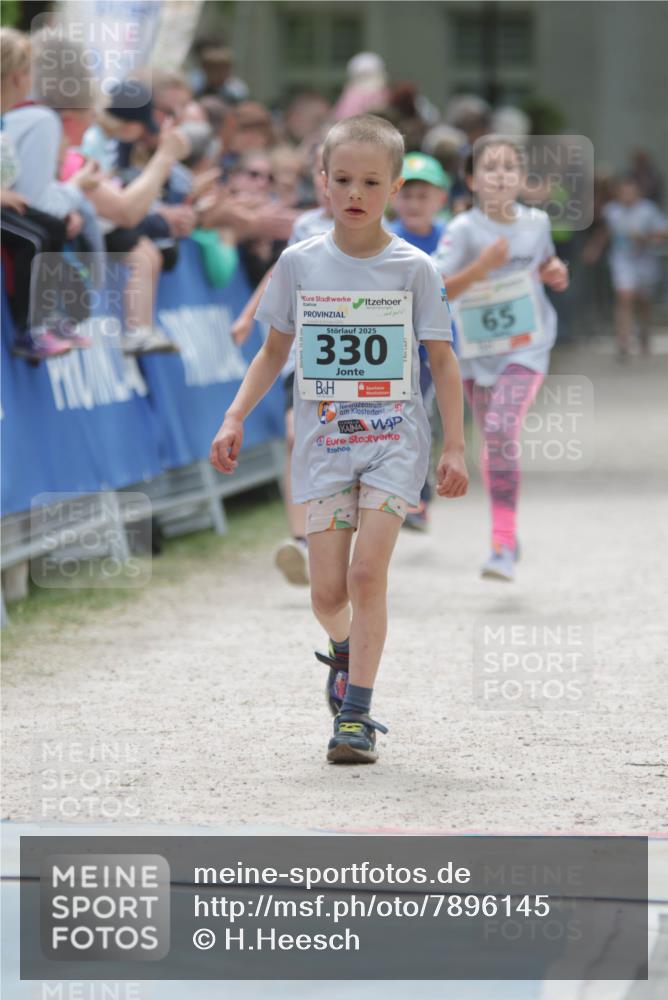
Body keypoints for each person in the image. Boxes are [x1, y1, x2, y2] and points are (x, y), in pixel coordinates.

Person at [210, 114, 468, 764]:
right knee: (327, 594)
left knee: (365, 574)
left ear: (394, 186)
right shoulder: (298, 263)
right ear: (322, 183)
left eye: (371, 181)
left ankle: (356, 715)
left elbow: (442, 360)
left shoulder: (415, 268)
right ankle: (346, 652)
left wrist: (454, 446)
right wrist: (235, 415)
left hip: (393, 442)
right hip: (324, 446)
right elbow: (273, 352)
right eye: (343, 179)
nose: (356, 192)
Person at [434, 137, 569, 582]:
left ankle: (501, 543)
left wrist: (556, 273)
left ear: (522, 178)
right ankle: (507, 531)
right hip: (475, 353)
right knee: (495, 444)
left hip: (527, 347)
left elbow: (548, 267)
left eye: (510, 167)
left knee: (498, 429)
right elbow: (438, 291)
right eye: (489, 169)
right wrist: (480, 268)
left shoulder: (536, 223)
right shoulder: (464, 230)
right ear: (472, 180)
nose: (501, 176)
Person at [389, 152, 451, 530]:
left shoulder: (450, 237)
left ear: (440, 199)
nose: (413, 204)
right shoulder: (384, 237)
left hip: (433, 348)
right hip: (391, 346)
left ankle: (417, 498)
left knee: (418, 416)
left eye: (422, 196)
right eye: (407, 195)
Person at [586, 176, 667, 357]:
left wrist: (645, 237)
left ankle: (644, 335)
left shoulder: (649, 210)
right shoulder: (611, 210)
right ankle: (623, 339)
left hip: (646, 261)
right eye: (623, 192)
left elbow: (663, 232)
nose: (626, 196)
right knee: (624, 296)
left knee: (644, 301)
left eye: (630, 192)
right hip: (622, 260)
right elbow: (605, 232)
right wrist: (594, 249)